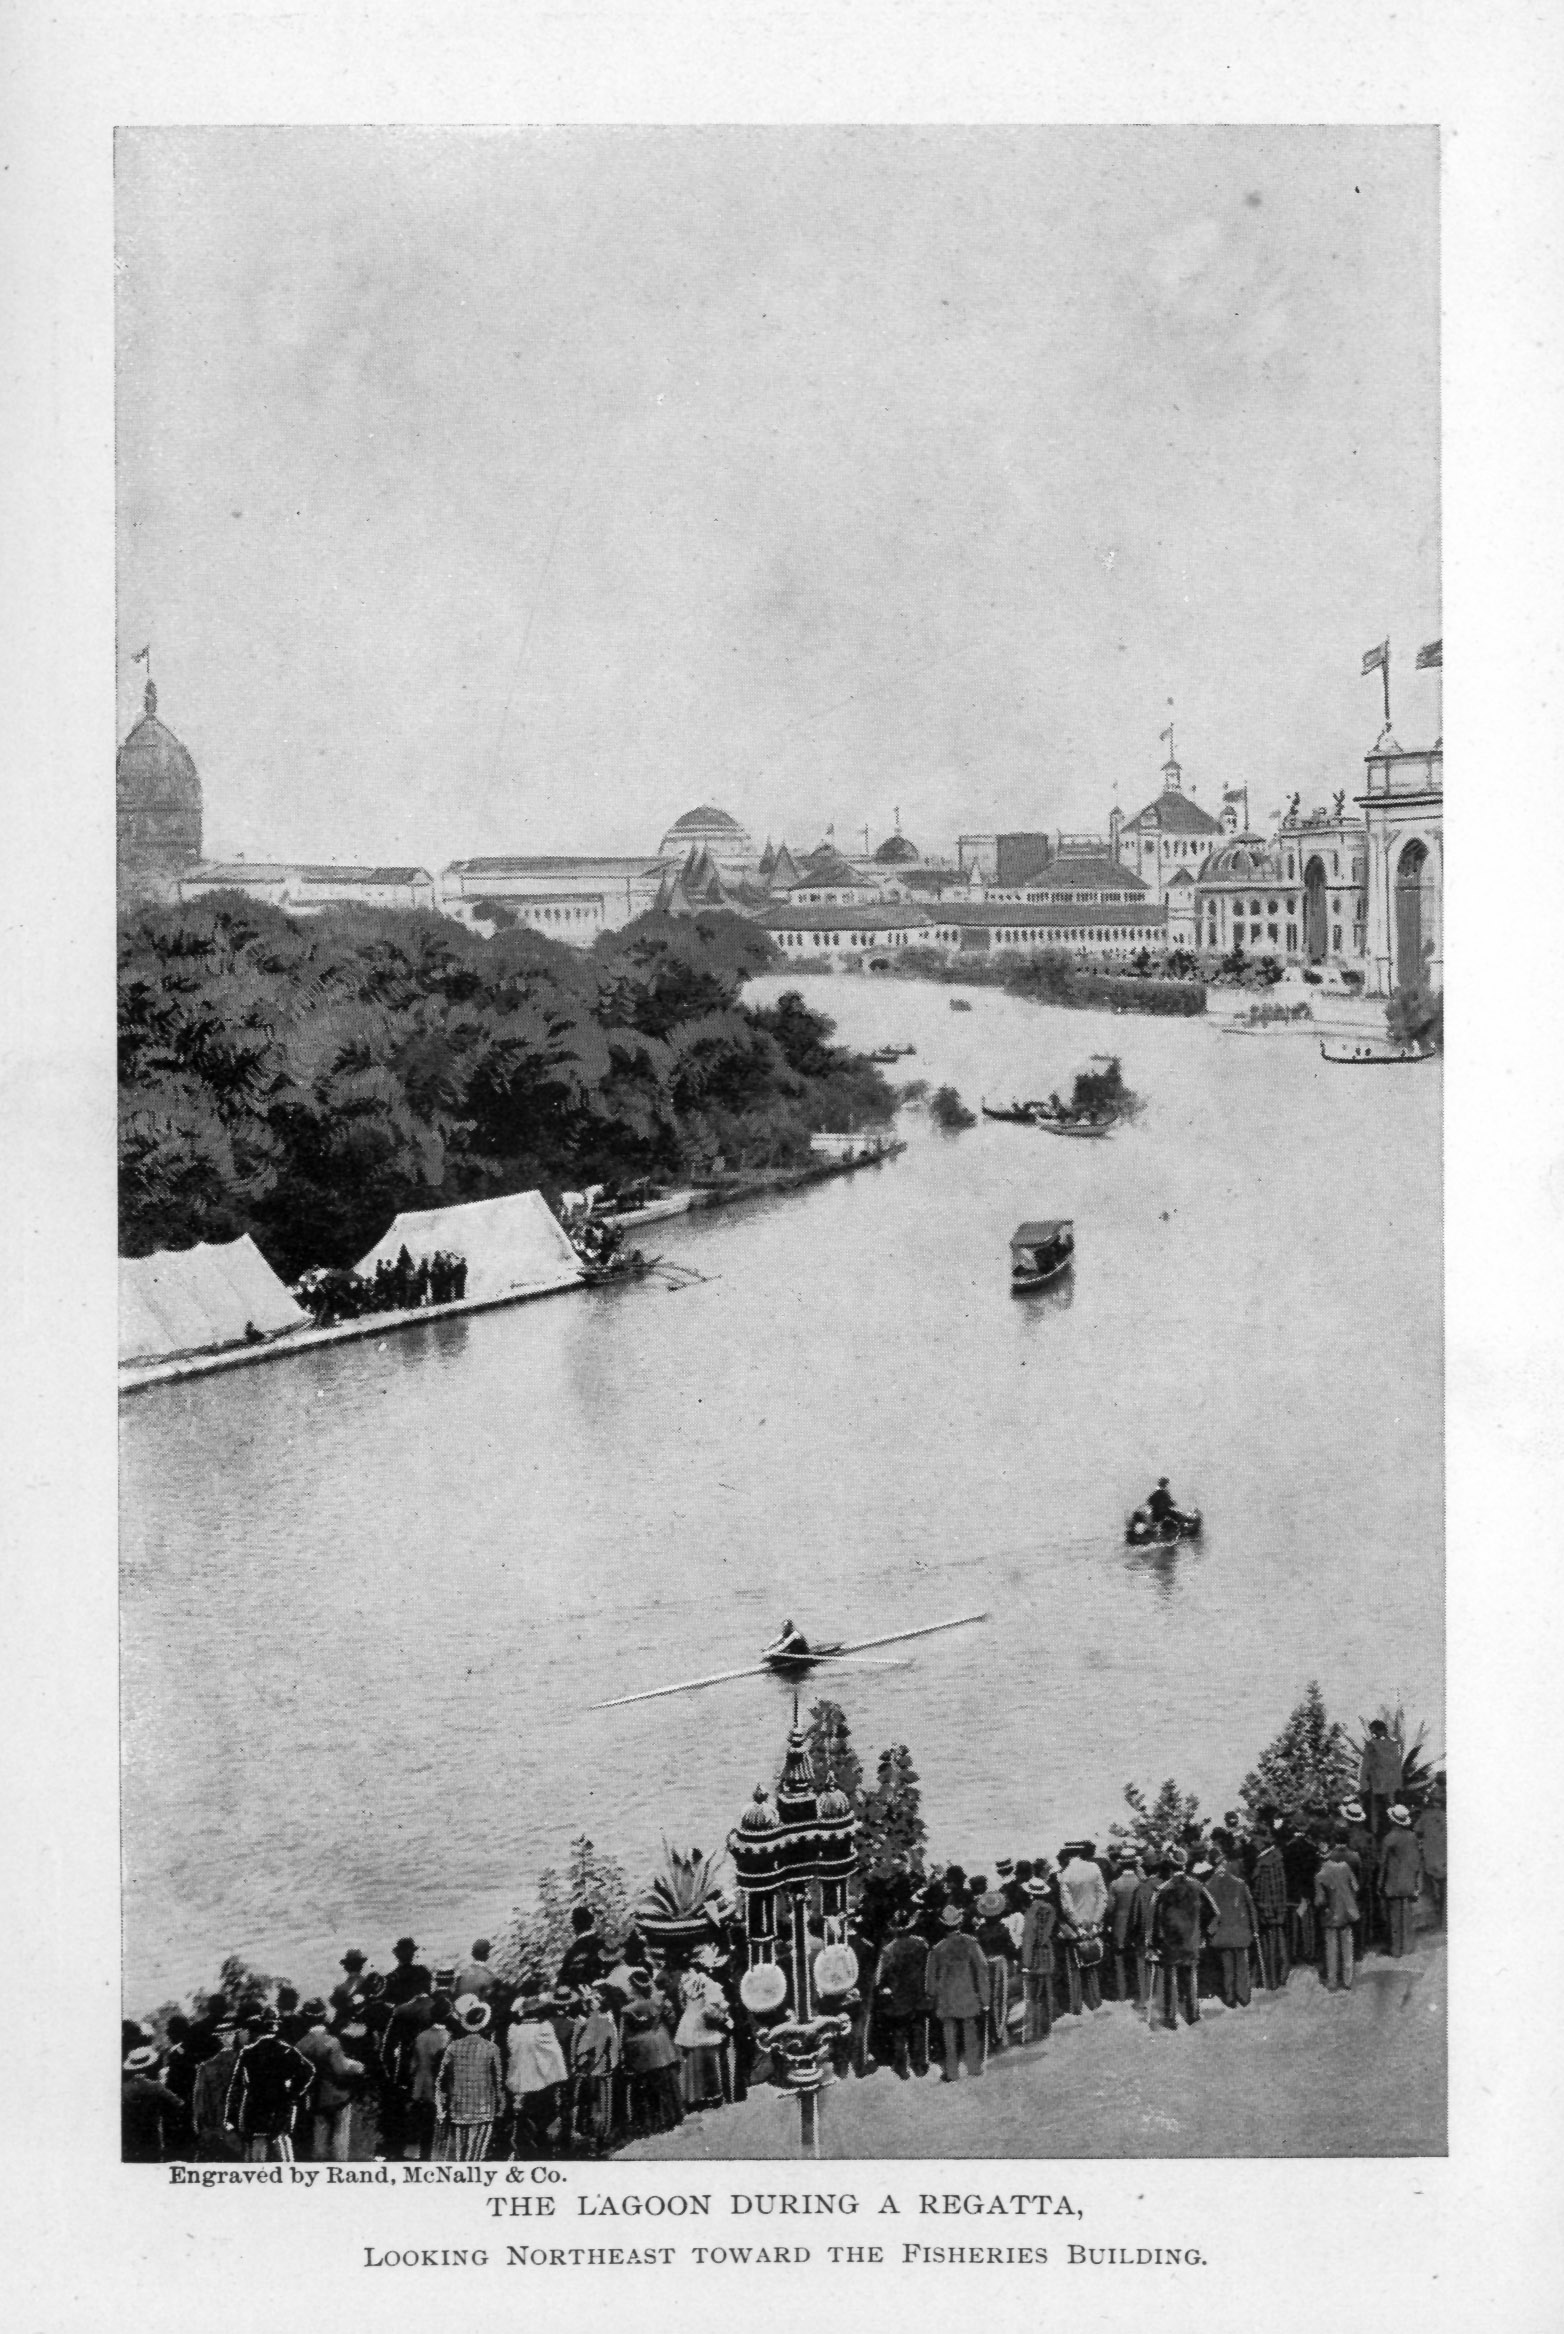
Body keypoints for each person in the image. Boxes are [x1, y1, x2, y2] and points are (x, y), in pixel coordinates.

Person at [225, 2005, 312, 2162]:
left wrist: (230, 2115)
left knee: (257, 2151)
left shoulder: (247, 2052)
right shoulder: (286, 2051)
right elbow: (308, 2071)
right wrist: (292, 2093)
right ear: (277, 2025)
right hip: (280, 2103)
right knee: (282, 2145)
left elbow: (236, 2085)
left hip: (253, 2104)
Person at [1148, 1851, 1217, 2028]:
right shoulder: (1198, 1886)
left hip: (1170, 1942)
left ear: (1170, 1867)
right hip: (1192, 1940)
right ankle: (1193, 2014)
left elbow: (1153, 1920)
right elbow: (1215, 1913)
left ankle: (1170, 2018)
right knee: (1191, 1977)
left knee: (1170, 1979)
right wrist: (1205, 1934)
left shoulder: (1162, 1890)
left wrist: (1153, 1943)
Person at [925, 1903, 991, 2081]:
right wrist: (985, 1998)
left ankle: (952, 2072)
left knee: (949, 2034)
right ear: (960, 1924)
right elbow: (982, 1968)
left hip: (946, 1997)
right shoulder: (970, 1942)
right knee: (970, 2028)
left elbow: (930, 1978)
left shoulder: (937, 1949)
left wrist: (931, 1994)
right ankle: (974, 2067)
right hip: (967, 1993)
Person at [435, 1997, 505, 2161]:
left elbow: (442, 2078)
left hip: (459, 2106)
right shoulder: (492, 2048)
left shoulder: (453, 2046)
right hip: (484, 2107)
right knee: (477, 2154)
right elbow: (498, 2080)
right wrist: (501, 2104)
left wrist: (441, 2105)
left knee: (460, 2153)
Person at [295, 1999, 363, 2164]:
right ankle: (340, 2164)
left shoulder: (300, 2044)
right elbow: (341, 2069)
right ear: (324, 2016)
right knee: (340, 2130)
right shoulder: (332, 2042)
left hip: (314, 2096)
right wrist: (358, 2067)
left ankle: (319, 2162)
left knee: (320, 2129)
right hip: (336, 2094)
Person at [873, 1912, 931, 2079]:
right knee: (918, 2029)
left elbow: (879, 1978)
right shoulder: (921, 1944)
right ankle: (919, 2065)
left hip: (898, 1997)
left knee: (899, 2032)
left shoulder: (888, 1950)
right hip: (918, 1993)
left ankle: (901, 2067)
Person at [1204, 1849, 1260, 2008]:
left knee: (1227, 1966)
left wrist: (1209, 1932)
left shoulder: (1208, 1885)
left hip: (1221, 1933)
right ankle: (1243, 1996)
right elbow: (1251, 1907)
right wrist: (1255, 1929)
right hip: (1240, 1931)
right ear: (1224, 1863)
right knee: (1242, 1965)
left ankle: (1230, 1997)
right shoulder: (1240, 1883)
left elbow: (1207, 1913)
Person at [1058, 1841, 1109, 2013]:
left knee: (1075, 1965)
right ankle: (1095, 2000)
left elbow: (1067, 1906)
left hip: (1076, 1925)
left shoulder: (1065, 1874)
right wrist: (1095, 1921)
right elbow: (1103, 1895)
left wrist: (1078, 1924)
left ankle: (1076, 2005)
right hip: (1093, 1922)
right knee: (1092, 1961)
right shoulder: (1094, 1868)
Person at [571, 1985, 621, 2151]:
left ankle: (599, 2136)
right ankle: (589, 2135)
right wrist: (576, 2062)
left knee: (599, 2103)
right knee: (588, 2102)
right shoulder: (583, 2021)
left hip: (600, 2069)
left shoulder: (607, 2020)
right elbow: (575, 2044)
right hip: (587, 2069)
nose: (593, 2002)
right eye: (591, 1999)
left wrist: (612, 2064)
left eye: (597, 1999)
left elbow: (613, 2044)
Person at [1314, 1832, 1362, 1991]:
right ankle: (1348, 1980)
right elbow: (1356, 1887)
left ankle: (1333, 1981)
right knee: (1348, 1945)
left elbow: (1320, 1900)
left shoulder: (1319, 1876)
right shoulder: (1345, 1867)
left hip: (1330, 1916)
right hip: (1347, 1912)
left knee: (1331, 1949)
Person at [191, 2019, 243, 2160]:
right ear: (235, 2035)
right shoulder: (244, 2061)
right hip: (240, 2124)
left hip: (216, 2126)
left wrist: (201, 2126)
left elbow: (200, 2101)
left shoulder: (207, 2067)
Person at [974, 1890, 1019, 2053]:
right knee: (1001, 1999)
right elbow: (1011, 1950)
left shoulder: (980, 1931)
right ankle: (1001, 2033)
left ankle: (992, 2034)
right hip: (1001, 1966)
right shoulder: (1002, 1929)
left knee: (989, 1999)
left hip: (986, 1967)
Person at [122, 2043, 182, 2162]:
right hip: (152, 2130)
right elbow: (178, 2102)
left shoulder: (124, 2088)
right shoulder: (155, 2086)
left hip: (130, 2133)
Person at [1378, 1804, 1423, 1957]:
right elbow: (1416, 1860)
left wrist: (1379, 1883)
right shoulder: (1412, 1837)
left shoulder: (1389, 1839)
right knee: (1407, 1915)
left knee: (1394, 1918)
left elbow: (1383, 1863)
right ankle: (1408, 1947)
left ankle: (1396, 1949)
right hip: (1408, 1880)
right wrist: (1416, 1880)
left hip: (1393, 1881)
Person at [1252, 1820, 1291, 1989]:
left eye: (1255, 1840)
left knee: (1269, 1947)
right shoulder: (1277, 1857)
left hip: (1267, 1910)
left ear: (1262, 1841)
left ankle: (1271, 1979)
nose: (1253, 1843)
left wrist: (1262, 1908)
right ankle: (1281, 1976)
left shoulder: (1264, 1863)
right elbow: (1281, 1886)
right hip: (1278, 1908)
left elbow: (1263, 1890)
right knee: (1279, 1944)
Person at [1019, 1869, 1057, 2042]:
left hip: (1033, 1955)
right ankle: (1047, 2025)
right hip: (1047, 1952)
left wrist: (1025, 1963)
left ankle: (1035, 2030)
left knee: (1033, 1995)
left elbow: (1028, 1939)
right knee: (1046, 1990)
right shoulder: (1050, 1909)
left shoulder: (1030, 1912)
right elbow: (1048, 1932)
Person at [1107, 1848, 1145, 2005]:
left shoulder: (1115, 1884)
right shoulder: (1141, 1883)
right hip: (1138, 1928)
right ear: (1135, 1863)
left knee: (1120, 1961)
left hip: (1120, 1927)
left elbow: (1110, 1908)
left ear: (1121, 1865)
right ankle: (1141, 1995)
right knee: (1139, 1962)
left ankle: (1122, 1994)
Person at [1358, 1720, 1404, 1841]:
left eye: (1374, 1731)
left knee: (1381, 1812)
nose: (1374, 1734)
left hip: (1382, 1785)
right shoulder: (1392, 1744)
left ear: (1381, 1729)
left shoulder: (1374, 1744)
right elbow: (1366, 1765)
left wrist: (1364, 1783)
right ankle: (1382, 1837)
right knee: (1384, 1812)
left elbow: (1366, 1765)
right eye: (1372, 1732)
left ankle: (1383, 1837)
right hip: (1383, 1785)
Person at [1415, 1783, 1447, 1925]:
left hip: (1431, 1857)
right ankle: (1443, 1916)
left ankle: (1438, 1916)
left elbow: (1417, 1830)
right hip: (1444, 1856)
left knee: (1433, 1888)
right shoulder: (1446, 1816)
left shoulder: (1425, 1816)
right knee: (1444, 1887)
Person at [557, 1906, 608, 1995]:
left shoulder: (571, 1953)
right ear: (591, 1922)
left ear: (574, 1927)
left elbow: (563, 1981)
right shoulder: (604, 1943)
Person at [385, 1936, 432, 2009]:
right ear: (413, 1954)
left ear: (397, 1955)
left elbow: (389, 1999)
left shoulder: (391, 1977)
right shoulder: (422, 1971)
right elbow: (428, 1992)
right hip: (422, 2012)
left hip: (401, 2015)